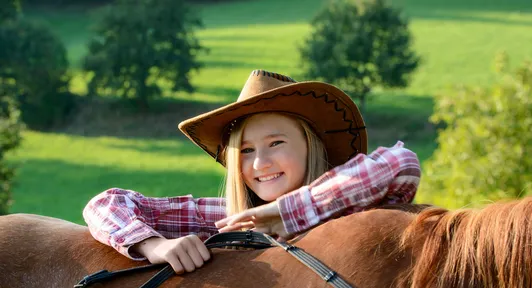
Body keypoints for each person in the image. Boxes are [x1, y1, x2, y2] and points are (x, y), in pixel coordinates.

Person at [83, 70, 421, 274]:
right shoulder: (229, 218)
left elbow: (402, 163)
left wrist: (286, 215)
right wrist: (154, 246)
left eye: (276, 143)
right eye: (245, 151)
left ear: (311, 146)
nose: (260, 163)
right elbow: (105, 204)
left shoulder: (352, 204)